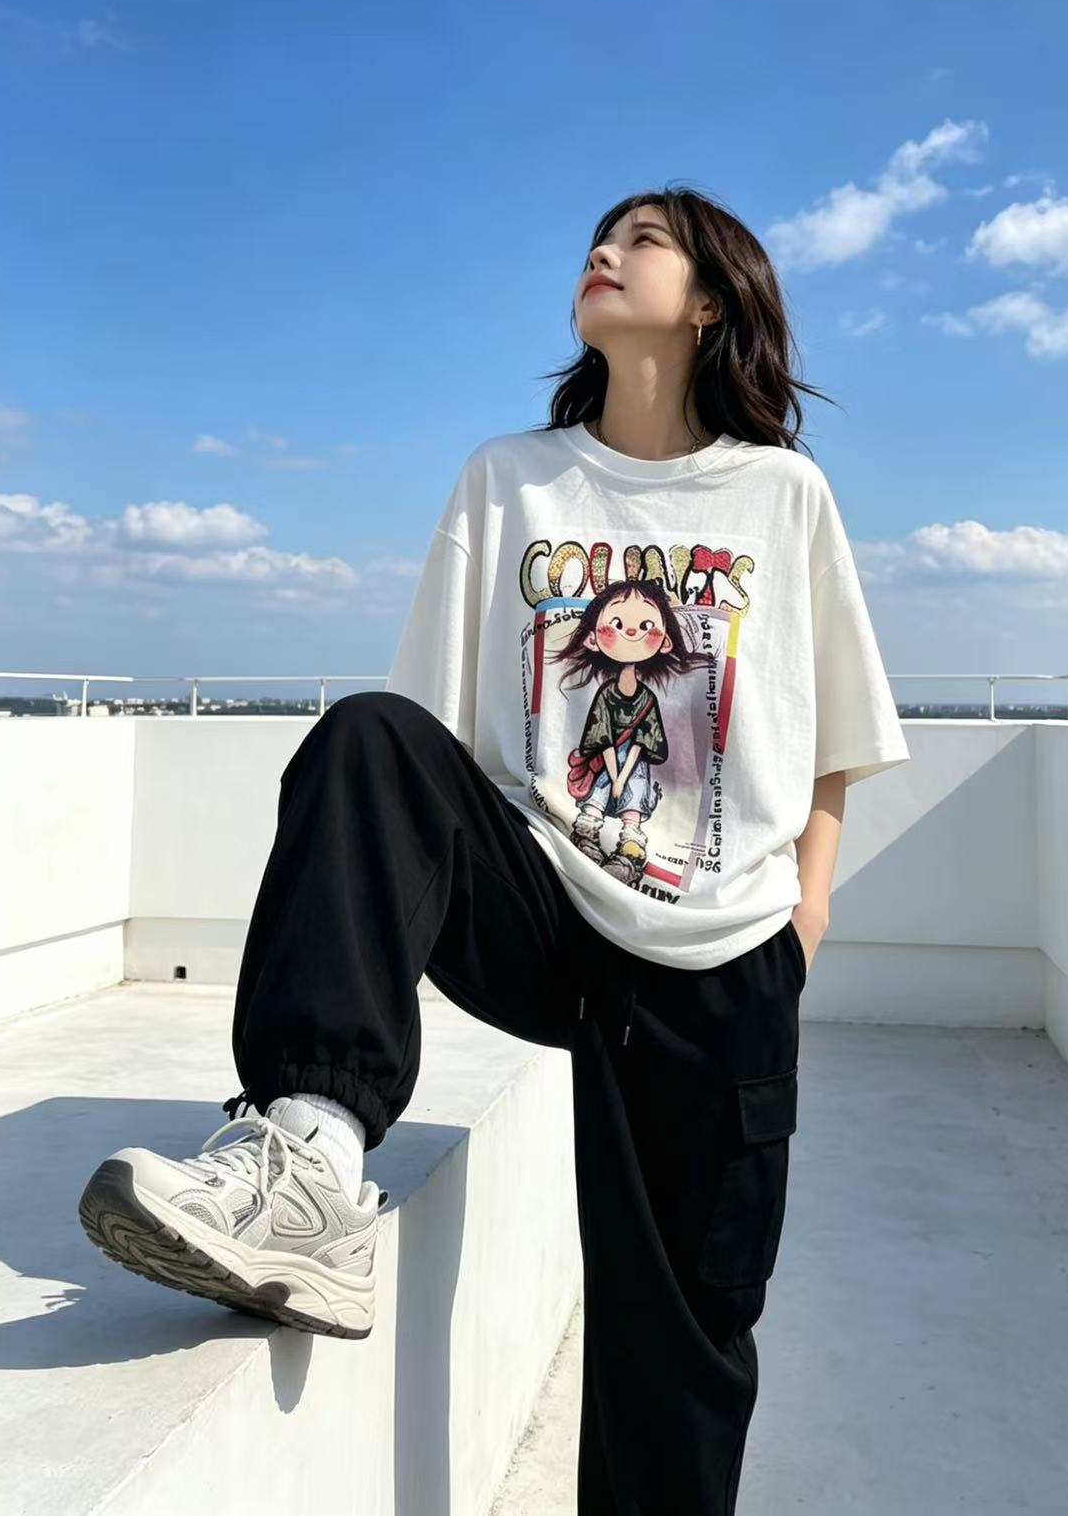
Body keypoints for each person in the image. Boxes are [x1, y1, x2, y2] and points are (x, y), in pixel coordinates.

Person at [77, 185, 911, 1512]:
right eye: (599, 237)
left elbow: (835, 742)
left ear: (710, 301)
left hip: (727, 964)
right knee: (367, 741)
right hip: (549, 913)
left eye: (642, 239)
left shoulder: (781, 494)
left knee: (685, 1338)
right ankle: (309, 1155)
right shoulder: (510, 478)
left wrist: (803, 923)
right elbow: (429, 735)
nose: (603, 251)